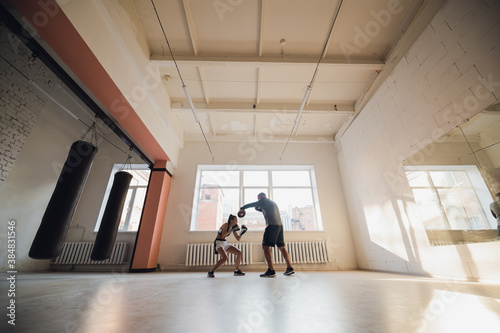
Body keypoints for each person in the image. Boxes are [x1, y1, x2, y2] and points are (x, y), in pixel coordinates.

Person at [239, 192, 294, 277]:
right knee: (281, 247)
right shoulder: (272, 203)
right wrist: (259, 209)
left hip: (272, 226)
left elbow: (253, 204)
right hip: (279, 226)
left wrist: (243, 208)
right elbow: (262, 209)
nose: (259, 200)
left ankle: (271, 270)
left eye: (259, 199)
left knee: (265, 246)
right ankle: (290, 268)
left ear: (262, 197)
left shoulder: (263, 200)